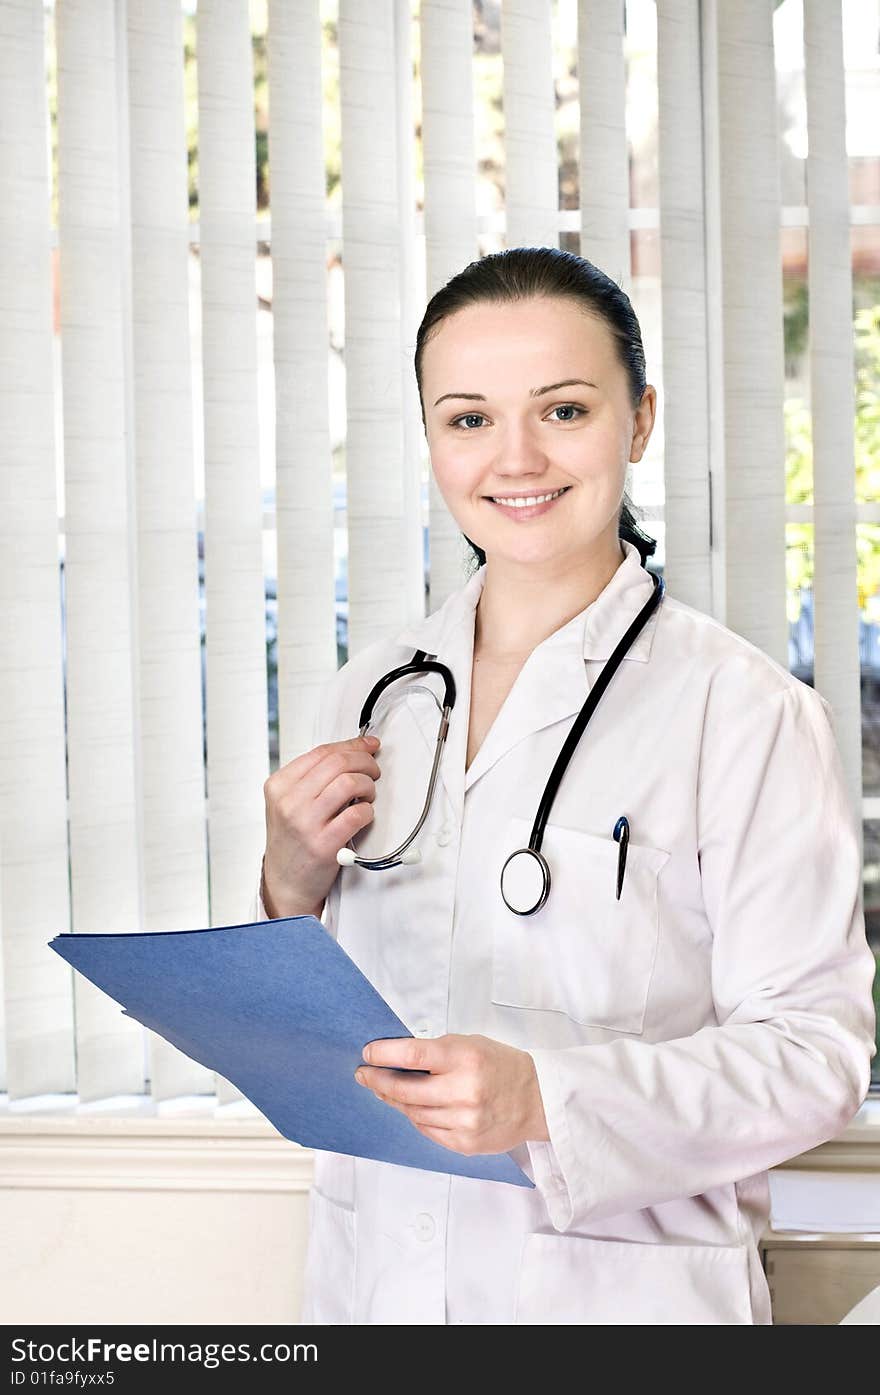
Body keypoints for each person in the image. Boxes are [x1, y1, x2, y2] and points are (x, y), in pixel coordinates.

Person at [252, 247, 877, 1325]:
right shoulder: (373, 693)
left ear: (637, 421)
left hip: (619, 1304)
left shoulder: (742, 712)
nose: (516, 458)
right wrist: (286, 884)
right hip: (372, 1281)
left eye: (565, 409)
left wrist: (551, 1099)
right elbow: (326, 1022)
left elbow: (815, 1058)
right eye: (468, 419)